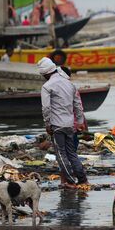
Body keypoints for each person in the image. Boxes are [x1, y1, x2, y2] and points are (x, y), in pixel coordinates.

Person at [38, 57, 87, 189]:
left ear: (45, 73)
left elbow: (46, 108)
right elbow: (77, 104)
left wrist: (47, 124)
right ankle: (83, 179)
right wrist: (80, 121)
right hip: (70, 125)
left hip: (57, 125)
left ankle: (70, 181)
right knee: (72, 153)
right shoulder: (68, 83)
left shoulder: (47, 86)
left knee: (61, 154)